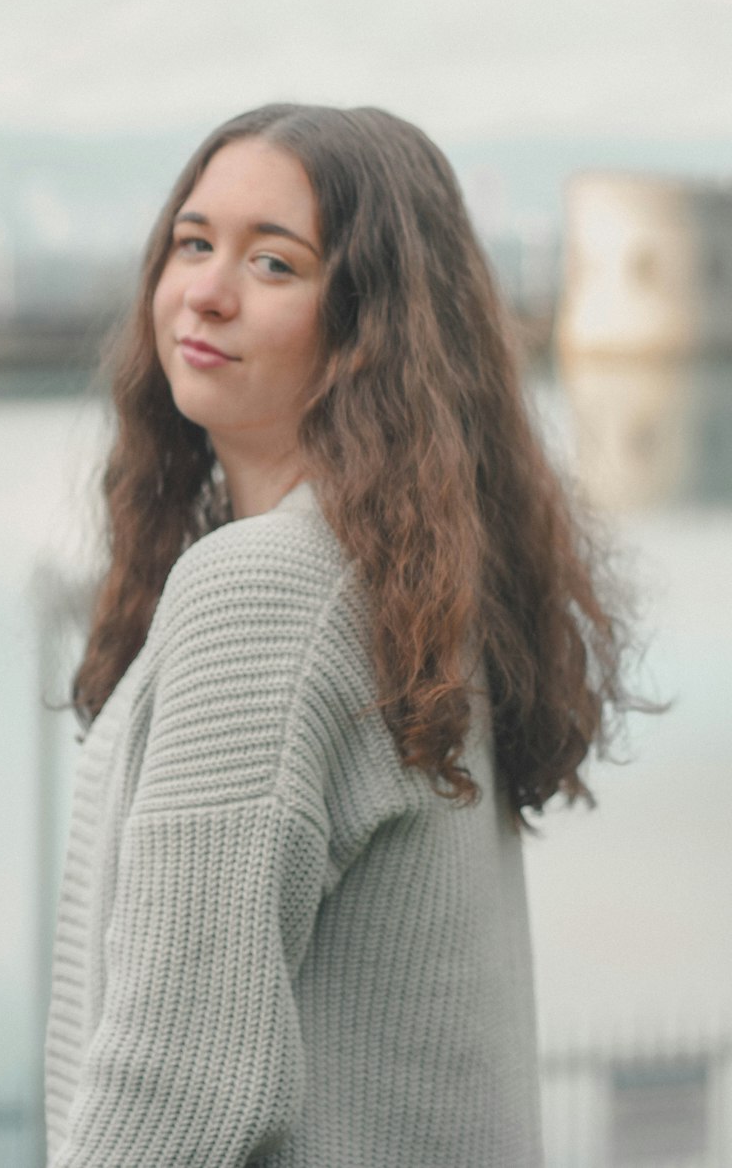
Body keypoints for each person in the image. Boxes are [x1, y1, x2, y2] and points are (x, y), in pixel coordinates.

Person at [44, 104, 638, 1167]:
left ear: (371, 330)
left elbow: (177, 1087)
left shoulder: (267, 590)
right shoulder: (409, 585)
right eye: (192, 243)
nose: (206, 292)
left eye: (274, 264)